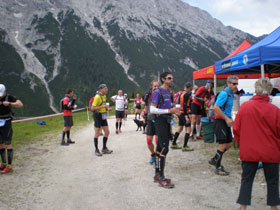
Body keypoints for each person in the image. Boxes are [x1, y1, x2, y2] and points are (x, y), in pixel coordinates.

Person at [233, 78, 280, 210]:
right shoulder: (275, 110)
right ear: (269, 91)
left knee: (246, 179)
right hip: (271, 150)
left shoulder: (245, 107)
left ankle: (243, 207)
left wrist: (239, 140)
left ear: (255, 90)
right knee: (272, 181)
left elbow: (236, 128)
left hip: (249, 150)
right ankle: (273, 208)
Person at [150, 72, 181, 188]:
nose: (171, 80)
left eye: (172, 78)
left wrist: (175, 111)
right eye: (169, 78)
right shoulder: (157, 92)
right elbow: (152, 109)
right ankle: (161, 177)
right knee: (164, 148)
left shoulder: (168, 92)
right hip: (160, 122)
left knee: (160, 148)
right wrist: (168, 111)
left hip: (166, 122)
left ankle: (157, 175)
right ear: (163, 79)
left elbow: (168, 106)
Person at [208, 76, 238, 176]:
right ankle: (218, 167)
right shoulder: (224, 94)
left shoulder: (230, 94)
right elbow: (216, 108)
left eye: (236, 84)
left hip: (225, 121)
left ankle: (215, 159)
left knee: (229, 144)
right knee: (223, 144)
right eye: (234, 83)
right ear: (228, 83)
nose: (235, 86)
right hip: (220, 121)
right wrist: (226, 118)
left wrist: (229, 118)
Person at [0, 84, 23, 174]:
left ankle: (9, 166)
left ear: (5, 92)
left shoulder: (9, 97)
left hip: (7, 123)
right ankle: (3, 163)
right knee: (0, 144)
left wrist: (10, 103)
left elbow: (20, 104)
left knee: (8, 144)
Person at [171, 82, 194, 151]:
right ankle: (185, 146)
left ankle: (174, 143)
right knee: (188, 129)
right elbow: (184, 105)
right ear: (189, 87)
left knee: (180, 128)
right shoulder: (186, 94)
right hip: (184, 113)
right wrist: (186, 116)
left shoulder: (181, 93)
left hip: (180, 113)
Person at [91, 84, 112, 156]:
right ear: (100, 89)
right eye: (105, 88)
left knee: (107, 132)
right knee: (97, 133)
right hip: (97, 116)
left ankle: (104, 148)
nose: (107, 89)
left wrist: (107, 108)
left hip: (103, 115)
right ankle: (96, 150)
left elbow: (104, 105)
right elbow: (92, 108)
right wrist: (102, 106)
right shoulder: (97, 97)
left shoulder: (104, 96)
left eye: (107, 88)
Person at [142, 80, 159, 164]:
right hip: (149, 119)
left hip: (159, 120)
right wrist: (144, 113)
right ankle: (153, 154)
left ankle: (156, 157)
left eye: (157, 86)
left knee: (157, 141)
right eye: (154, 86)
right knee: (149, 141)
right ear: (151, 87)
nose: (156, 88)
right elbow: (146, 106)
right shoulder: (147, 95)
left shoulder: (160, 95)